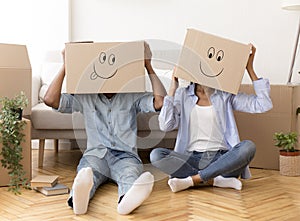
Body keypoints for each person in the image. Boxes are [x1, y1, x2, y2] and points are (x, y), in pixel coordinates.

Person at [43, 42, 167, 215]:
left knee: (129, 175)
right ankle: (79, 202)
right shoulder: (85, 96)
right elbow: (50, 100)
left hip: (125, 156)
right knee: (87, 174)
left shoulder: (132, 95)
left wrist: (147, 64)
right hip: (96, 155)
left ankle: (125, 202)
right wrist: (66, 64)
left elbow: (160, 102)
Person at [150, 44, 273, 193]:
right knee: (156, 155)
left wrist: (249, 69)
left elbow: (263, 104)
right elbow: (165, 125)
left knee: (248, 147)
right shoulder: (182, 95)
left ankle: (194, 180)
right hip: (193, 160)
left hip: (224, 159)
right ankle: (215, 180)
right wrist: (172, 88)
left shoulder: (225, 95)